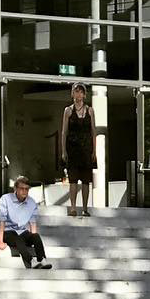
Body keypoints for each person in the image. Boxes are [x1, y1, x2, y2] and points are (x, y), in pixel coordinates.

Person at [0, 175, 52, 270]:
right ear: (15, 188)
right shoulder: (5, 199)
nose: (24, 191)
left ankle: (42, 259)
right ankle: (30, 261)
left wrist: (32, 239)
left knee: (36, 236)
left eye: (26, 189)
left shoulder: (31, 202)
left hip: (21, 231)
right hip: (7, 231)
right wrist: (0, 241)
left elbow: (32, 222)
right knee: (16, 237)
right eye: (22, 188)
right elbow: (2, 220)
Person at [59, 83, 96, 217]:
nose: (78, 94)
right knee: (73, 180)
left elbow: (93, 131)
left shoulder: (90, 110)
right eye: (76, 92)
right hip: (73, 149)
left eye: (81, 92)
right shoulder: (68, 110)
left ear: (84, 95)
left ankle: (85, 208)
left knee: (86, 181)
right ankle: (73, 207)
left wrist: (94, 151)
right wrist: (63, 150)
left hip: (86, 149)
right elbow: (64, 132)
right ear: (72, 94)